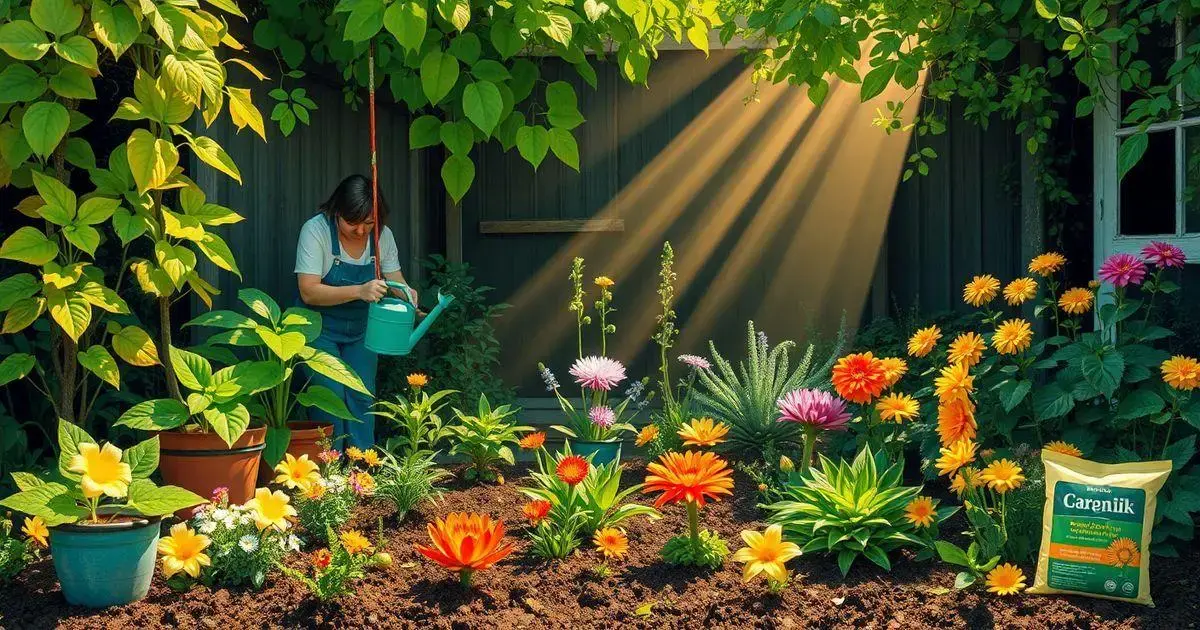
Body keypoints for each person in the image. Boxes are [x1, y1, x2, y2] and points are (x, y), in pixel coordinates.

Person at [295, 175, 416, 449]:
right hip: (317, 329)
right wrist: (360, 291)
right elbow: (309, 291)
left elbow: (394, 277)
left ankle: (362, 469)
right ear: (337, 211)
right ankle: (329, 472)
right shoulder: (316, 231)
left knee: (362, 395)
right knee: (329, 395)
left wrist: (409, 297)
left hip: (362, 329)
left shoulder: (382, 236)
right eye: (353, 222)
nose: (361, 231)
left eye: (369, 223)